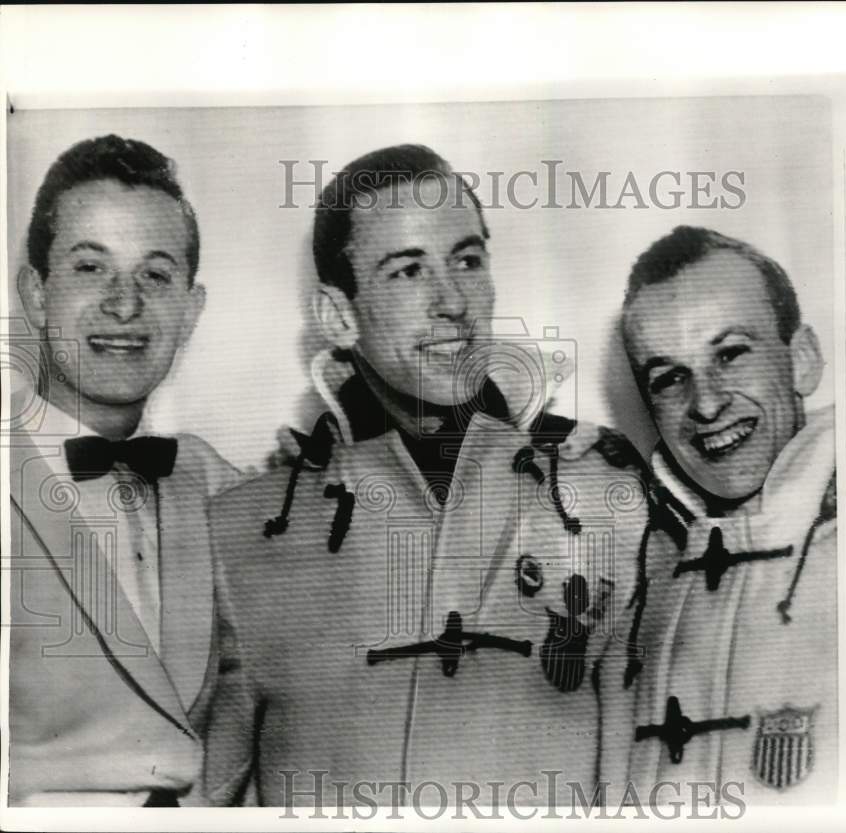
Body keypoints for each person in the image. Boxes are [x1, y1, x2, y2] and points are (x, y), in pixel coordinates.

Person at [204, 144, 647, 807]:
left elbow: (634, 789)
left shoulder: (604, 496)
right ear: (339, 315)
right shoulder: (242, 532)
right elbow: (203, 799)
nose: (452, 301)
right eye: (408, 271)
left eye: (466, 260)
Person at [8, 135, 239, 806]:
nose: (125, 303)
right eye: (90, 267)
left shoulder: (206, 478)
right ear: (36, 292)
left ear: (190, 312)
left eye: (155, 274)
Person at [612, 226, 835, 805]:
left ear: (802, 361)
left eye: (731, 354)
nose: (706, 404)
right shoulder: (637, 569)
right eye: (669, 378)